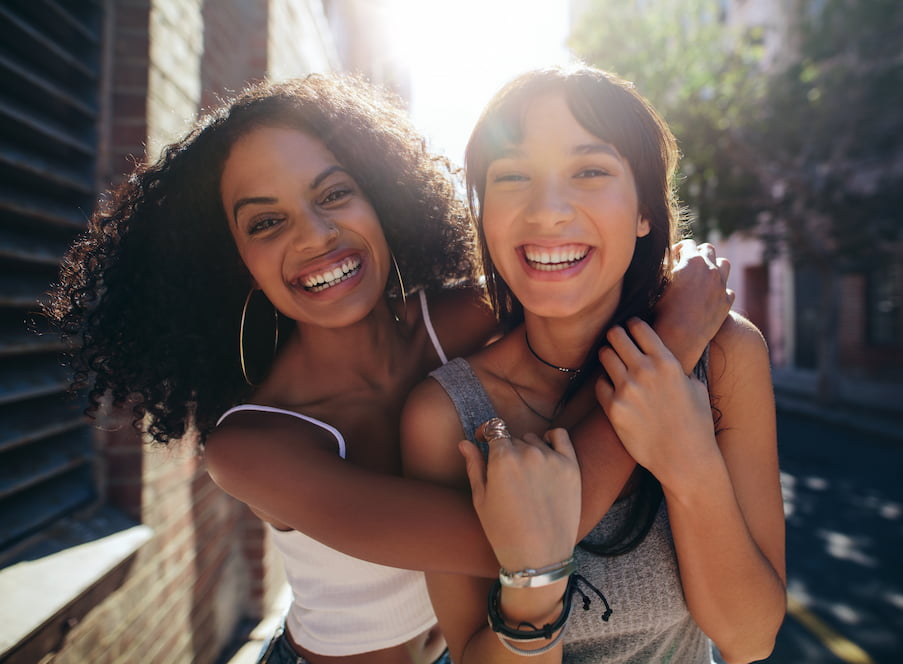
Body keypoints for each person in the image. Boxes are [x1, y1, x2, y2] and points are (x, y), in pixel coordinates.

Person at [43, 74, 733, 664]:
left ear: (379, 197)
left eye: (335, 194)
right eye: (265, 223)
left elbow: (582, 296)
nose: (316, 237)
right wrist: (668, 343)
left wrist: (668, 276)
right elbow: (526, 538)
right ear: (234, 263)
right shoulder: (253, 447)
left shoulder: (465, 320)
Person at [401, 64, 787, 664]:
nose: (548, 210)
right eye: (513, 176)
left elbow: (749, 637)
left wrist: (688, 460)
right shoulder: (445, 415)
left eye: (590, 170)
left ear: (645, 213)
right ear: (484, 216)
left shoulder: (725, 354)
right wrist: (534, 580)